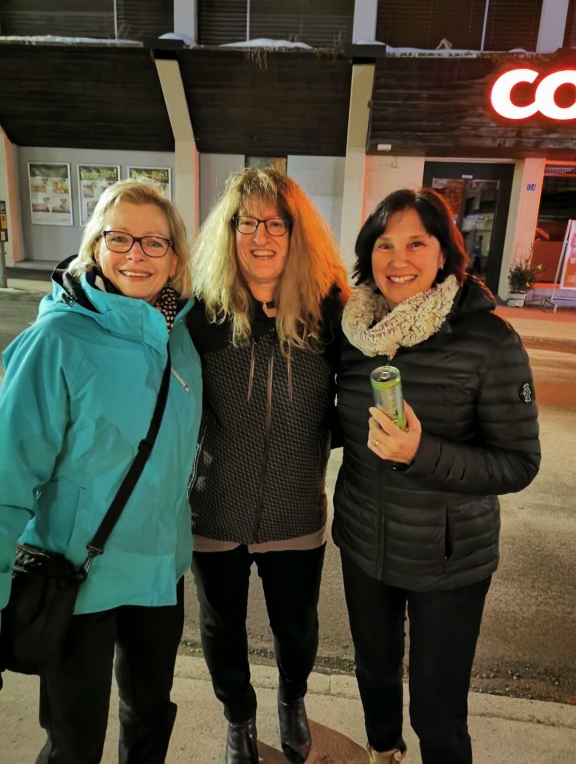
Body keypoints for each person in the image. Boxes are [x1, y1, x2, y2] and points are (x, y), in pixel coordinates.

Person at [333, 188, 540, 764]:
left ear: (445, 253)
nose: (397, 260)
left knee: (437, 708)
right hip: (364, 544)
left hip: (448, 559)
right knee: (373, 673)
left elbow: (519, 463)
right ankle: (383, 752)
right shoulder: (354, 334)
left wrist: (421, 453)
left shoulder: (488, 341)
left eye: (416, 244)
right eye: (384, 244)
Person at [0, 179, 202, 763]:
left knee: (149, 717)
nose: (136, 254)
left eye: (154, 242)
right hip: (78, 580)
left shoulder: (181, 339)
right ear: (95, 246)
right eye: (120, 238)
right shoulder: (56, 339)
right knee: (74, 739)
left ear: (175, 257)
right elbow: (8, 477)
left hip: (159, 574)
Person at [187, 167, 349, 764]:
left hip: (295, 508)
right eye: (247, 222)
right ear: (228, 232)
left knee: (296, 626)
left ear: (296, 232)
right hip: (215, 507)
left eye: (275, 223)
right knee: (220, 627)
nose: (261, 236)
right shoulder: (201, 316)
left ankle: (292, 698)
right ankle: (238, 716)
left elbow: (358, 400)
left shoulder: (330, 315)